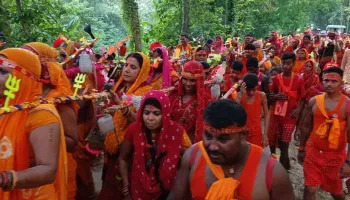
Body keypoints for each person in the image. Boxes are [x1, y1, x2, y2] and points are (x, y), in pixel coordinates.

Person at [167, 99, 295, 200]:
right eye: (208, 135)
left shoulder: (273, 173)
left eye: (223, 139)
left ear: (243, 136)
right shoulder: (192, 156)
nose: (213, 146)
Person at [0, 48, 67, 199]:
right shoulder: (5, 108)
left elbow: (48, 170)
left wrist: (7, 178)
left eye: (3, 72)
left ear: (23, 77)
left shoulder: (41, 114)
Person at [21, 42, 79, 200]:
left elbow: (73, 143)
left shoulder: (61, 100)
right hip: (26, 170)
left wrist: (41, 136)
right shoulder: (24, 93)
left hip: (55, 171)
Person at [98, 52, 153, 199]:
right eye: (126, 65)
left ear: (142, 72)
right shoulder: (120, 88)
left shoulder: (146, 93)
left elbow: (144, 122)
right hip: (112, 149)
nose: (127, 70)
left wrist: (120, 105)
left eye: (133, 67)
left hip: (130, 153)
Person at [118, 90, 191, 200]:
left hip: (166, 190)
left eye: (156, 114)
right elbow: (122, 159)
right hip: (138, 189)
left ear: (165, 113)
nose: (150, 118)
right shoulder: (134, 129)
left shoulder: (175, 132)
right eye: (146, 113)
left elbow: (189, 157)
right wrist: (126, 188)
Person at [298, 67, 350, 200]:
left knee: (336, 192)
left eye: (334, 81)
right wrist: (301, 148)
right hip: (313, 152)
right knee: (310, 188)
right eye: (326, 80)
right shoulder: (314, 101)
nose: (329, 84)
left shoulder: (347, 105)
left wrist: (348, 162)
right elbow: (306, 127)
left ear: (341, 84)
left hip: (335, 157)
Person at [269, 53, 305, 170]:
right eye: (284, 63)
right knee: (275, 139)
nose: (285, 66)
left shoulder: (299, 80)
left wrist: (298, 110)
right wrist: (275, 97)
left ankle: (284, 165)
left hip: (290, 115)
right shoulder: (276, 79)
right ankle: (282, 164)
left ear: (294, 63)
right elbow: (270, 95)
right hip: (277, 114)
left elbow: (303, 98)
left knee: (285, 142)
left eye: (288, 63)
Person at [169, 60, 212, 143]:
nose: (188, 84)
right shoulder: (173, 95)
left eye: (192, 80)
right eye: (185, 79)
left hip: (193, 145)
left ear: (199, 81)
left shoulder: (206, 100)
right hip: (171, 141)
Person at [236, 73, 270, 148]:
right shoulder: (240, 95)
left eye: (254, 89)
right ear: (244, 87)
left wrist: (265, 135)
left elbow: (267, 114)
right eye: (248, 90)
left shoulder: (261, 95)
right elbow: (234, 112)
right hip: (242, 133)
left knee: (255, 156)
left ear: (257, 86)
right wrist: (240, 94)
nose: (251, 92)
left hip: (256, 133)